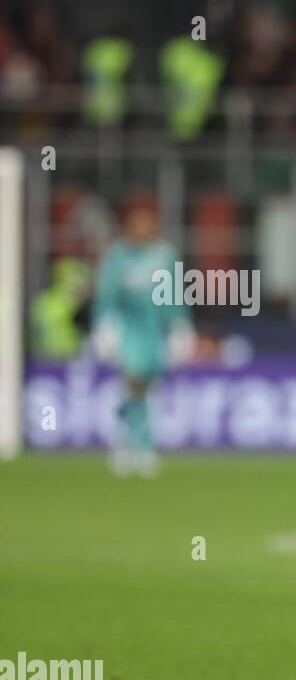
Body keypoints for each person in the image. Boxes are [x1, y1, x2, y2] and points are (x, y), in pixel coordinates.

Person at [91, 197, 192, 476]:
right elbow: (106, 294)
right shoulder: (118, 256)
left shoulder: (164, 255)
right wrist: (104, 327)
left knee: (147, 388)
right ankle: (132, 444)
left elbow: (174, 295)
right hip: (128, 329)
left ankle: (139, 443)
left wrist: (181, 328)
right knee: (133, 381)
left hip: (155, 331)